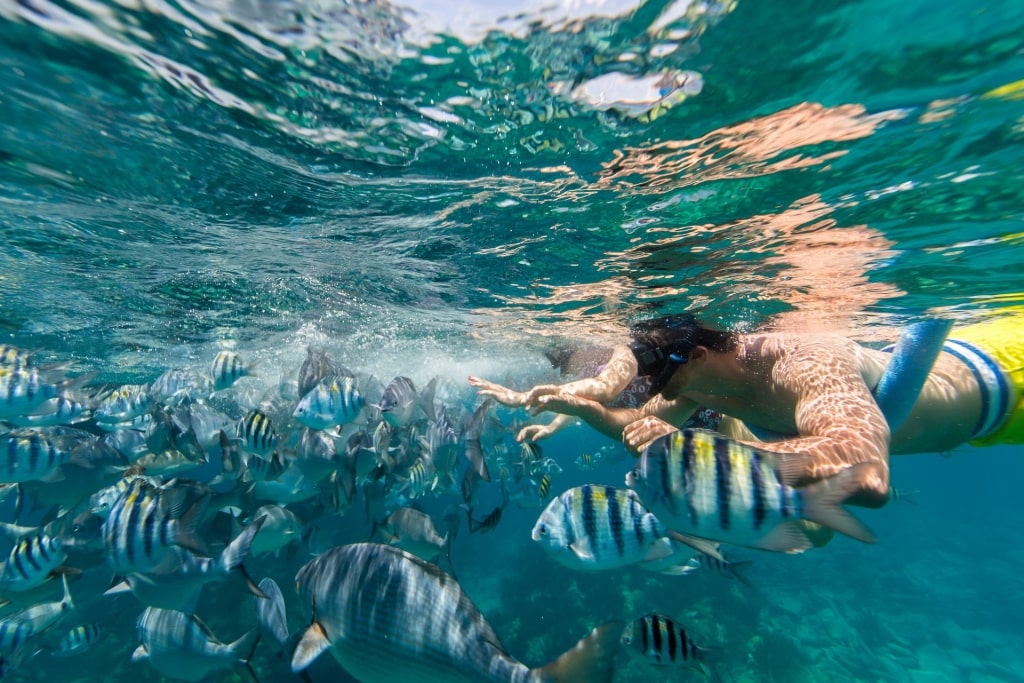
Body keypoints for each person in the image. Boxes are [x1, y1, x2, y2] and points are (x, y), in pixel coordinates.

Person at [521, 312, 1023, 509]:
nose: (661, 396)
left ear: (697, 354)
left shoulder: (805, 361)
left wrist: (705, 455)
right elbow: (638, 424)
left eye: (662, 381)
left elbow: (866, 473)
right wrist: (585, 409)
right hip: (983, 419)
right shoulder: (698, 386)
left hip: (1009, 375)